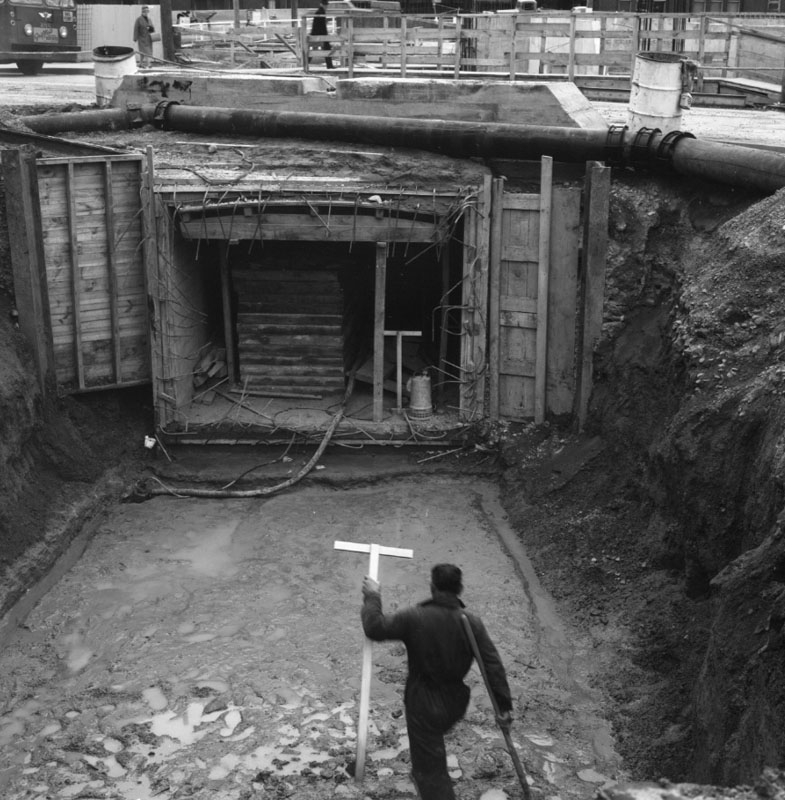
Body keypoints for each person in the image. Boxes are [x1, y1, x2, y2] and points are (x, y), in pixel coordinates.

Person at [361, 563, 513, 800]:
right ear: (460, 588)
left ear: (432, 587)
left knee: (431, 771)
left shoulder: (415, 616)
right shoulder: (471, 622)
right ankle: (423, 771)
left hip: (423, 702)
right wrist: (504, 707)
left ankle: (428, 780)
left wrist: (373, 595)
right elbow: (492, 666)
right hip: (455, 702)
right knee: (429, 751)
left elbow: (374, 627)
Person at [310, 0, 334, 70]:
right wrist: (326, 35)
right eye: (325, 5)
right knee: (327, 48)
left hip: (316, 33)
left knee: (312, 49)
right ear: (322, 4)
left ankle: (306, 63)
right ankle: (329, 65)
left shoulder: (319, 11)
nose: (326, 6)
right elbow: (322, 26)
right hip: (319, 34)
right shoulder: (321, 12)